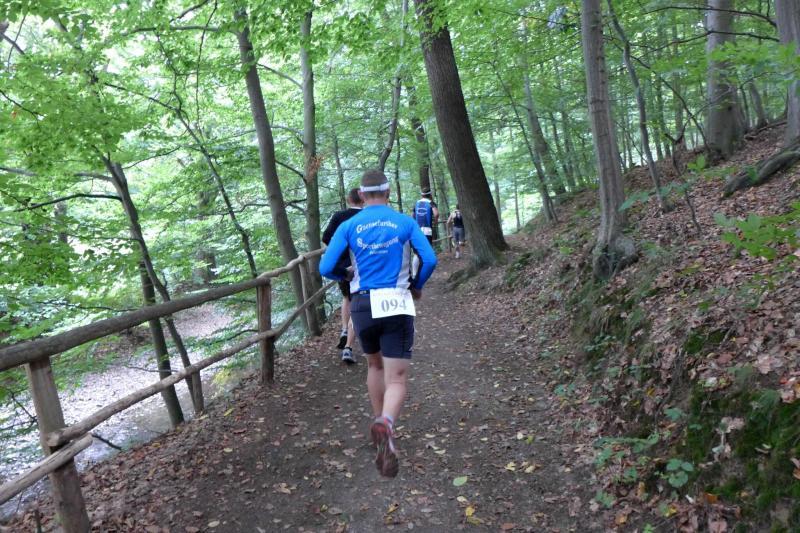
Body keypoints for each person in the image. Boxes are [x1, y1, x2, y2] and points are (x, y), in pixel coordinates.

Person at [319, 170, 437, 478]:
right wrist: (416, 285)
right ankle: (386, 422)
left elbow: (325, 266)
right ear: (387, 192)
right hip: (396, 301)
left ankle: (378, 422)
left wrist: (344, 275)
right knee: (396, 378)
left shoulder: (348, 225)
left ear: (361, 194)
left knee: (374, 365)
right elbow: (430, 259)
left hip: (362, 304)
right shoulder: (404, 222)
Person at [322, 188, 364, 364]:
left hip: (343, 265)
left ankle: (344, 329)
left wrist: (339, 249)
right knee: (357, 300)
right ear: (363, 199)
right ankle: (348, 346)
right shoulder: (367, 217)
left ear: (348, 199)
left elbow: (326, 237)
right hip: (361, 264)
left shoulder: (339, 216)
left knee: (347, 297)